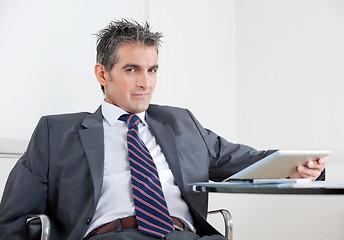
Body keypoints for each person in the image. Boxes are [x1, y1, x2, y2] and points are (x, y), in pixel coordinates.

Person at [0, 19, 327, 240]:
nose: (145, 82)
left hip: (184, 234)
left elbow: (250, 162)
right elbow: (14, 219)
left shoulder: (181, 122)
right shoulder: (56, 132)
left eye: (152, 69)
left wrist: (304, 167)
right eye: (132, 70)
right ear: (102, 74)